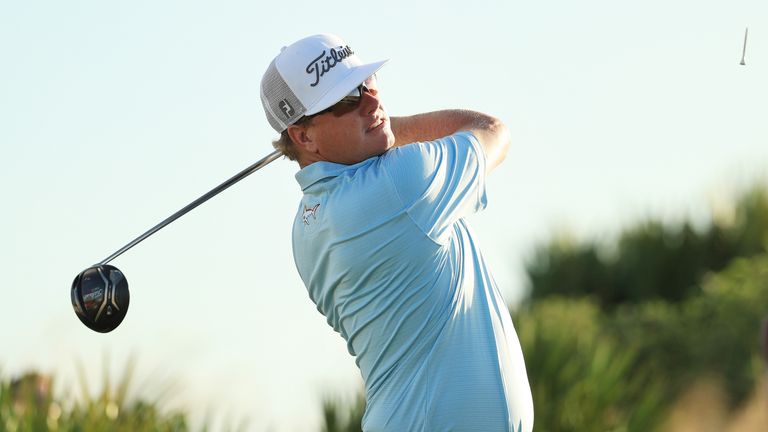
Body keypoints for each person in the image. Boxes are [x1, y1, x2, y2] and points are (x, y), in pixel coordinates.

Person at [260, 34, 533, 432]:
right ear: (304, 136)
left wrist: (368, 126)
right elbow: (491, 131)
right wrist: (388, 126)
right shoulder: (398, 184)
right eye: (348, 100)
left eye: (367, 84)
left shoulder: (305, 224)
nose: (373, 102)